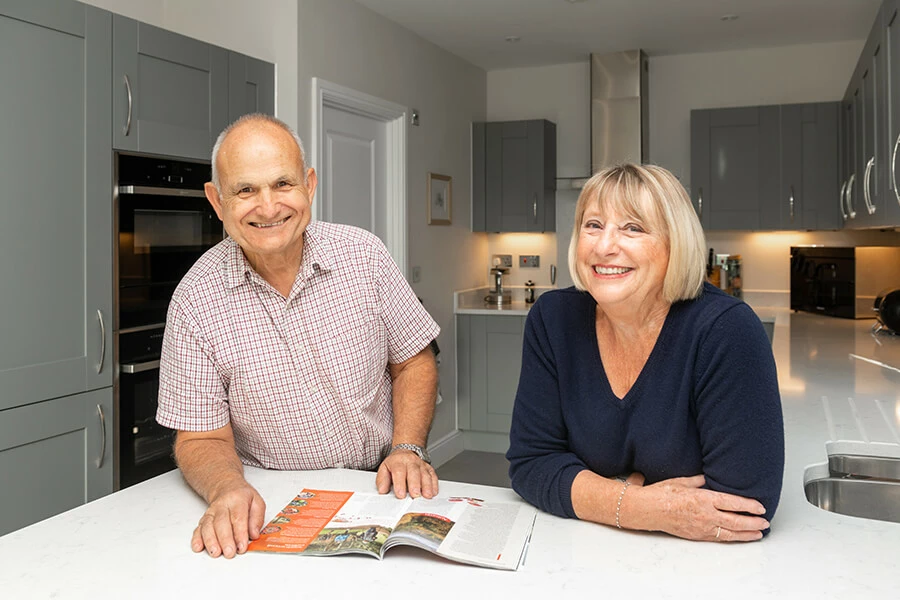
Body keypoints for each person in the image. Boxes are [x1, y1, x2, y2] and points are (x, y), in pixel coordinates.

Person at [157, 113, 441, 559]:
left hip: (384, 486)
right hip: (271, 505)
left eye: (282, 184)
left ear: (309, 185)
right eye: (245, 190)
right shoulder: (195, 301)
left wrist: (407, 448)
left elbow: (413, 360)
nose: (268, 207)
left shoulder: (365, 255)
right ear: (216, 201)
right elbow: (200, 439)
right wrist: (227, 488)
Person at [506, 163, 784, 543]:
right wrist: (638, 505)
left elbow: (743, 509)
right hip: (579, 554)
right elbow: (531, 463)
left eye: (633, 228)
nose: (604, 246)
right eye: (593, 225)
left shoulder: (726, 330)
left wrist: (587, 490)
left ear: (675, 243)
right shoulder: (553, 318)